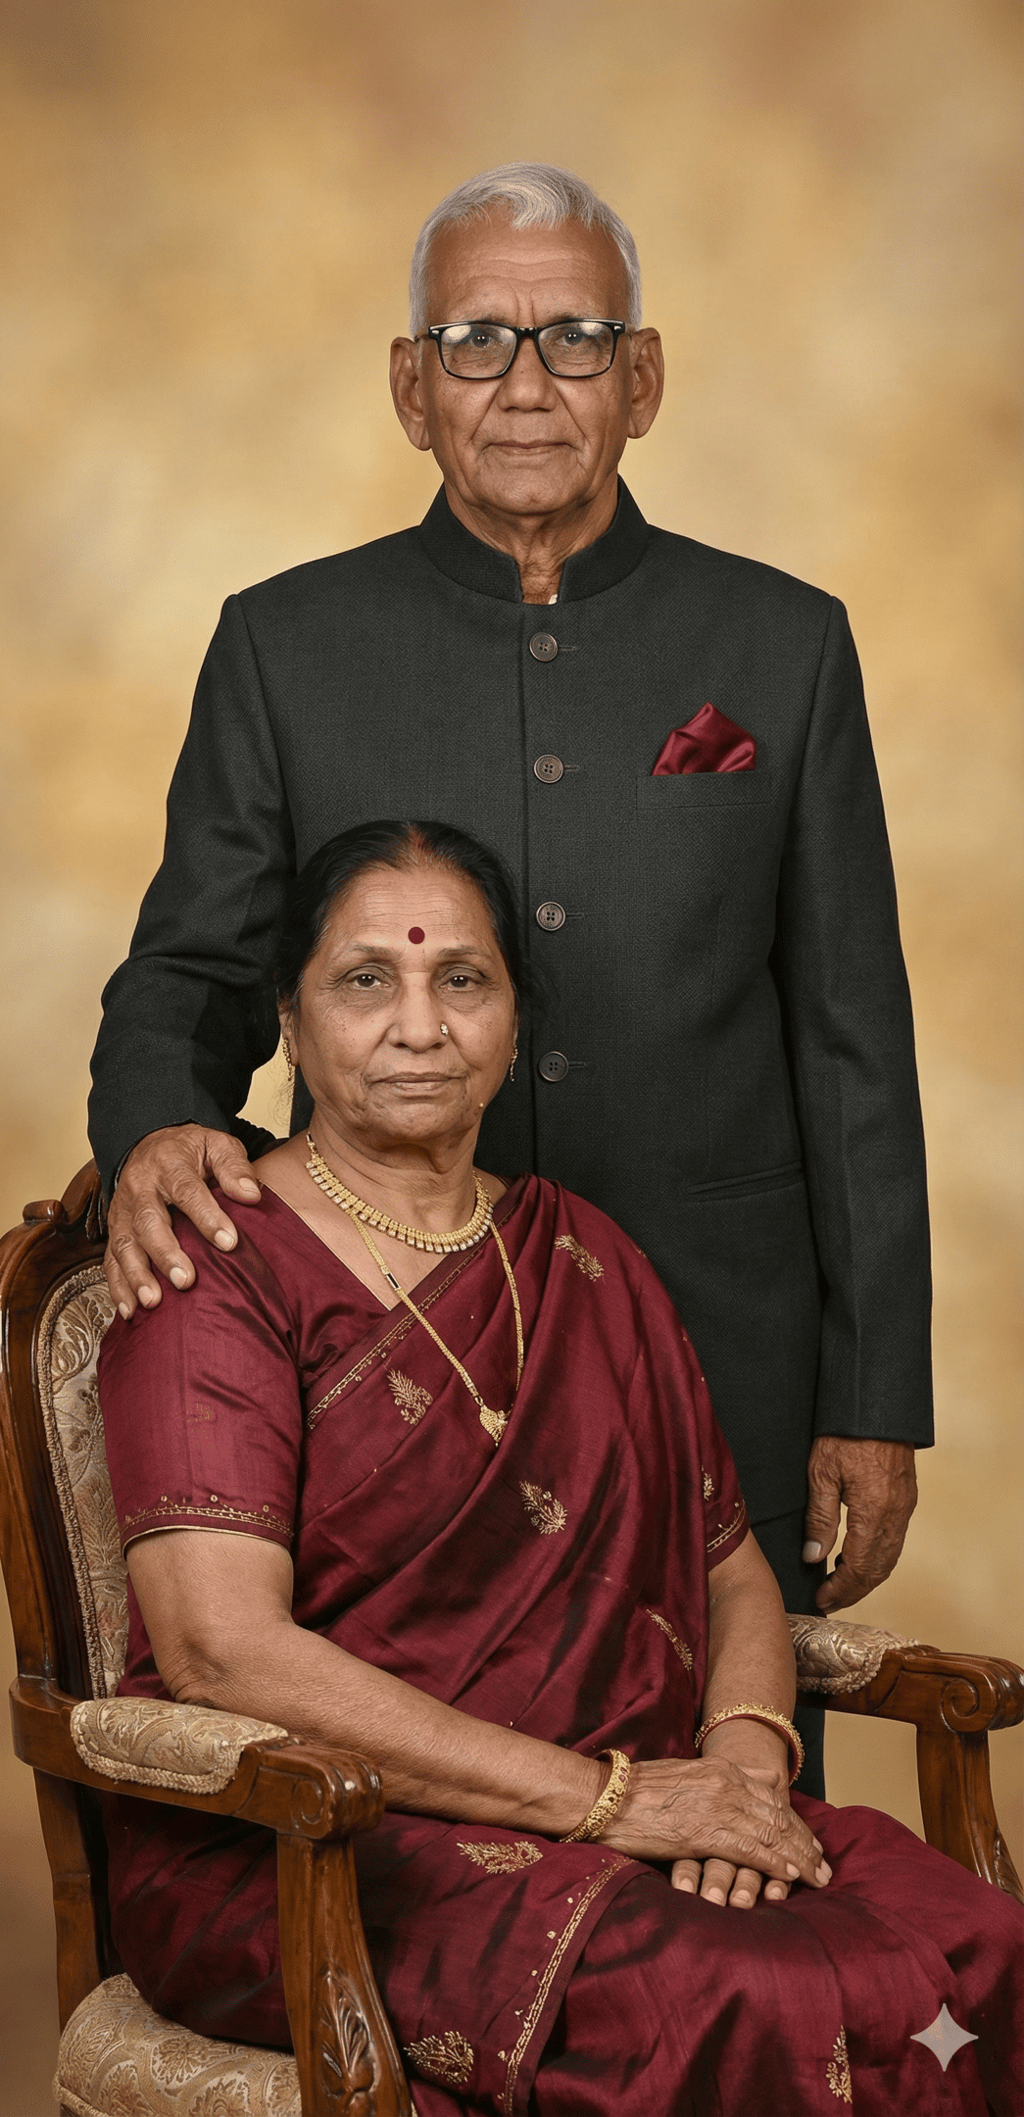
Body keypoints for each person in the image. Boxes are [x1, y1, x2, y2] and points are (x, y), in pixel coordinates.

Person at [88, 166, 932, 1797]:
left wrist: (873, 1390)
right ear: (412, 388)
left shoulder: (785, 644)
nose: (527, 384)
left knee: (739, 1837)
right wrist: (155, 1130)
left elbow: (853, 1046)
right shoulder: (283, 643)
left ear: (644, 377)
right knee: (425, 1833)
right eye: (477, 340)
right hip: (377, 1404)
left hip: (723, 1361)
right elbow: (191, 965)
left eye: (575, 337)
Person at [97, 821, 1019, 2117]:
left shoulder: (583, 1253)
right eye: (366, 979)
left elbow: (731, 1576)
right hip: (320, 1839)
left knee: (976, 1943)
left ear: (516, 1021)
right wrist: (619, 1804)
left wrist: (743, 1775)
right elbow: (221, 1653)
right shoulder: (218, 1266)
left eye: (462, 979)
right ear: (288, 1024)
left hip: (642, 1803)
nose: (420, 1026)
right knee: (740, 1997)